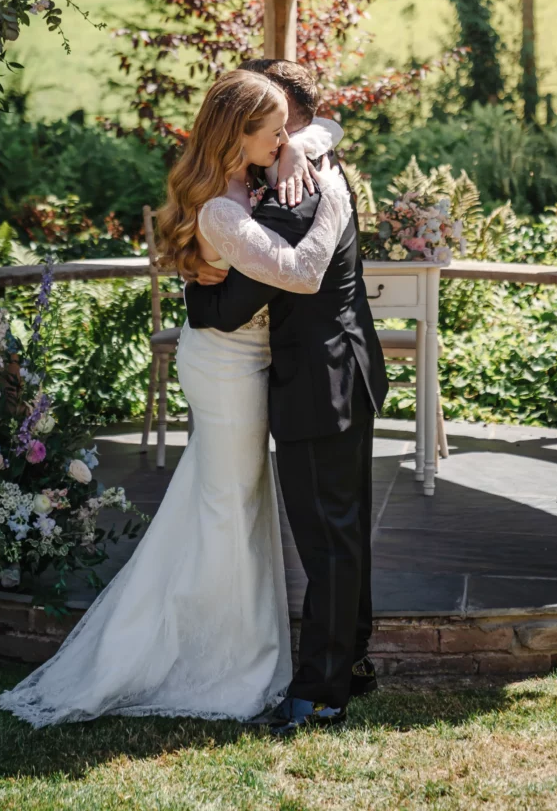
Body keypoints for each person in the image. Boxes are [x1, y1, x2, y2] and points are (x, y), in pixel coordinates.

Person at [0, 69, 349, 727]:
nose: (285, 138)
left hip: (241, 359)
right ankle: (216, 663)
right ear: (237, 133)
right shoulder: (221, 207)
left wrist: (304, 146)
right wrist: (333, 199)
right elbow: (301, 273)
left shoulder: (254, 167)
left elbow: (324, 127)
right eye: (274, 129)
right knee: (228, 512)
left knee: (225, 506)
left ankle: (228, 644)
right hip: (226, 369)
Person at [185, 59, 389, 736]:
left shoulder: (296, 190)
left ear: (289, 124)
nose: (271, 141)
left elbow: (226, 309)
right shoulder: (317, 165)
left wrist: (199, 289)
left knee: (326, 541)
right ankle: (351, 659)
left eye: (276, 126)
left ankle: (319, 692)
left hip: (315, 384)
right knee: (346, 526)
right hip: (349, 369)